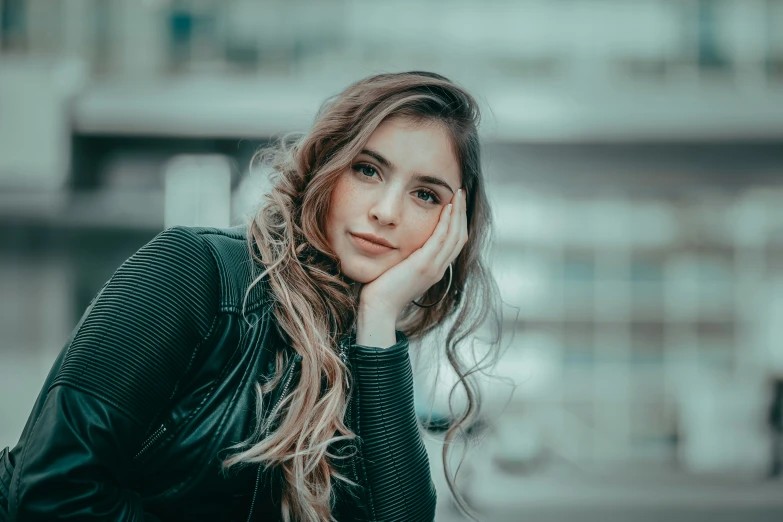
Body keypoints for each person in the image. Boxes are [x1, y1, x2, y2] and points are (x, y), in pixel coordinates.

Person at [0, 71, 502, 522]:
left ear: (450, 230)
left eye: (425, 195)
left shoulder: (360, 349)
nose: (387, 211)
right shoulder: (195, 269)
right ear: (328, 166)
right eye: (368, 170)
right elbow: (52, 492)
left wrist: (377, 328)